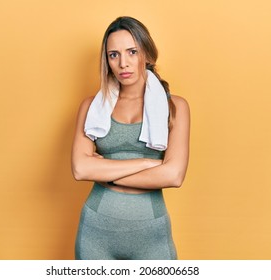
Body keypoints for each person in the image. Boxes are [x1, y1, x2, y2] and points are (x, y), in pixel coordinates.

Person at [71, 16, 190, 260]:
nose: (123, 63)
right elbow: (81, 169)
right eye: (113, 55)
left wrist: (105, 172)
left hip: (152, 236)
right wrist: (148, 163)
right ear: (107, 61)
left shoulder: (175, 107)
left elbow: (173, 175)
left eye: (132, 52)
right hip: (95, 233)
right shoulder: (91, 107)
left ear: (146, 53)